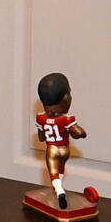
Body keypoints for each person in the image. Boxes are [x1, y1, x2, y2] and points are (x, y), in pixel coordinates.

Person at [33, 73, 85, 202]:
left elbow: (41, 138)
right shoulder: (67, 119)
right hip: (65, 149)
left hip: (52, 150)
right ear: (66, 98)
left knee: (53, 172)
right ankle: (59, 190)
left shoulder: (40, 118)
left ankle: (58, 190)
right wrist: (81, 133)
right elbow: (78, 132)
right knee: (61, 168)